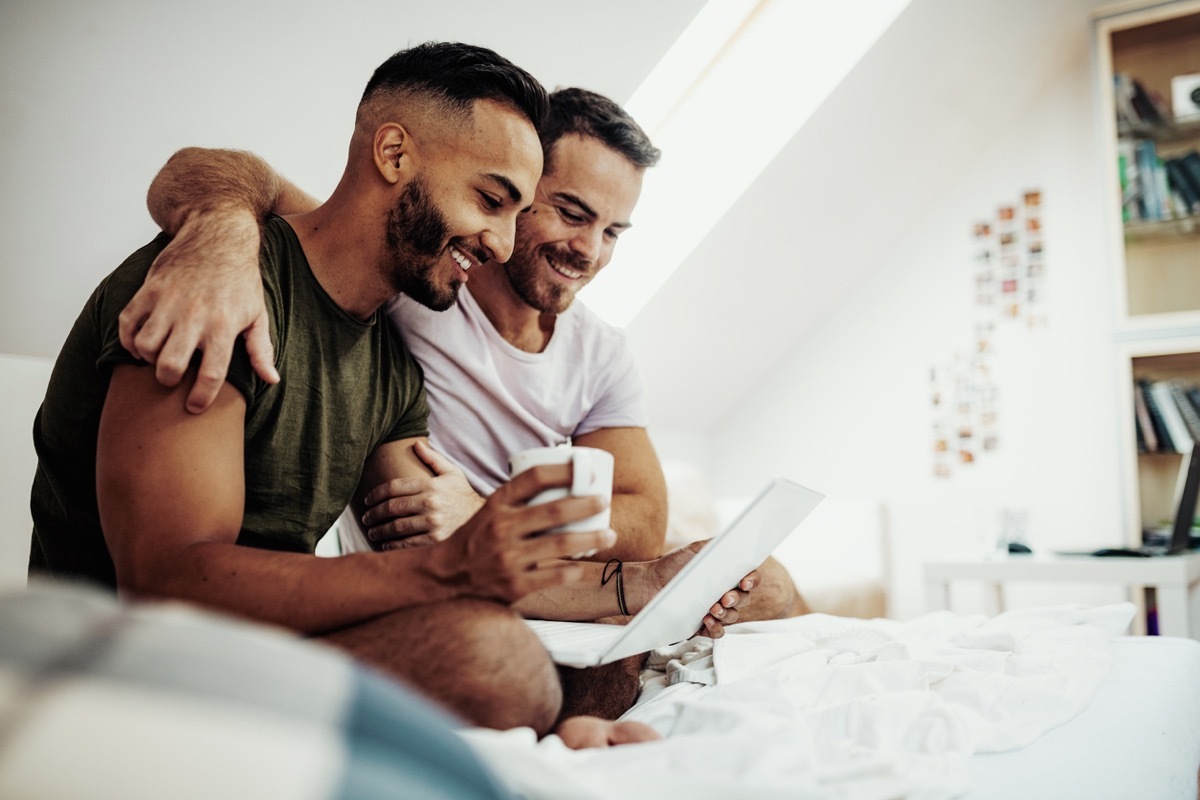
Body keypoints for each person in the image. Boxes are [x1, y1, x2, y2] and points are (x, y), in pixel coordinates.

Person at [28, 42, 708, 747]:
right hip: (123, 667)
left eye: (518, 214)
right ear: (393, 154)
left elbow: (455, 549)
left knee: (601, 651)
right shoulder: (216, 288)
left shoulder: (391, 359)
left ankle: (563, 747)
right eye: (491, 200)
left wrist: (646, 585)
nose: (504, 244)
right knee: (492, 658)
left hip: (257, 647)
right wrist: (445, 573)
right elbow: (166, 583)